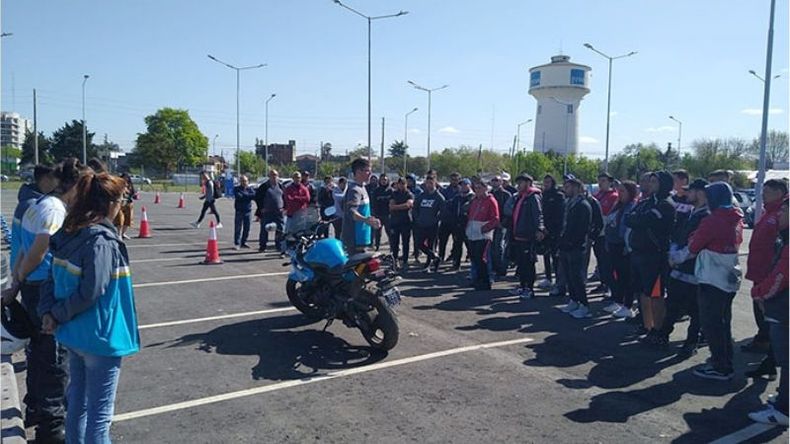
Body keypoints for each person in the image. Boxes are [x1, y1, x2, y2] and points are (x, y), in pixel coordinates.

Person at [38, 171, 140, 443]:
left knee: (79, 407)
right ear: (109, 203)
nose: (123, 204)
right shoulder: (101, 241)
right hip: (99, 336)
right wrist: (55, 314)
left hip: (74, 335)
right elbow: (91, 291)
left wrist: (50, 313)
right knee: (100, 414)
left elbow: (49, 277)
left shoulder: (69, 233)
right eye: (122, 198)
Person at [6, 158, 84, 441]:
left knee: (38, 354)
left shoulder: (37, 205)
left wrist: (17, 280)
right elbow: (38, 250)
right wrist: (23, 276)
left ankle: (37, 408)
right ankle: (51, 429)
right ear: (72, 186)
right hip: (44, 288)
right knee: (53, 359)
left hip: (32, 286)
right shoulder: (53, 210)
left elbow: (23, 250)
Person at [688, 181, 743, 380]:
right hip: (730, 274)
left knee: (712, 323)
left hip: (712, 276)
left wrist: (692, 239)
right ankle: (724, 360)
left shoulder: (713, 220)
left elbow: (694, 245)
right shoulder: (737, 218)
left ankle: (720, 366)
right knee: (723, 321)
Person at [748, 197, 789, 426]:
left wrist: (759, 293)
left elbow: (780, 277)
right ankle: (785, 400)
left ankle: (784, 409)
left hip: (785, 310)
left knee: (788, 361)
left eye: (784, 210)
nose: (780, 214)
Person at [659, 179, 711, 351]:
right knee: (672, 305)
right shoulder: (694, 213)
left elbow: (694, 246)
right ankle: (662, 335)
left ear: (700, 193)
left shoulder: (706, 216)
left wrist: (676, 257)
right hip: (680, 269)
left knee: (695, 311)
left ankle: (690, 343)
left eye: (691, 191)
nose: (687, 194)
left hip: (694, 271)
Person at [625, 171, 675, 340]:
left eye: (655, 181)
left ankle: (659, 332)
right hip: (639, 253)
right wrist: (638, 219)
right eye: (650, 181)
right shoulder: (647, 202)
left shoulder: (665, 204)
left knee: (656, 295)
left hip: (655, 256)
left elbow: (643, 221)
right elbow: (629, 218)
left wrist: (638, 219)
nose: (651, 184)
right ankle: (647, 327)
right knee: (643, 293)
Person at [743, 179, 788, 355]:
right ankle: (764, 339)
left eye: (767, 191)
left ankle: (767, 343)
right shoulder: (768, 212)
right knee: (759, 307)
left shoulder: (781, 213)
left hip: (769, 270)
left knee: (766, 308)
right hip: (758, 268)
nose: (763, 194)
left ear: (779, 193)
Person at [603, 180, 639, 319]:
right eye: (620, 190)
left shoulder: (632, 206)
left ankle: (627, 305)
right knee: (613, 273)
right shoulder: (618, 205)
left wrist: (626, 245)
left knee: (626, 277)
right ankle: (617, 300)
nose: (620, 193)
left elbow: (628, 229)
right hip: (612, 244)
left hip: (623, 246)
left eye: (623, 191)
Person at [558, 177, 592, 319]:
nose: (566, 189)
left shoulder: (583, 205)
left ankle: (584, 305)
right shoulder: (569, 203)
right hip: (565, 245)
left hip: (576, 247)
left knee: (576, 277)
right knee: (569, 276)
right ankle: (574, 300)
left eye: (569, 186)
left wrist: (572, 242)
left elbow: (582, 228)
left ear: (577, 188)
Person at [509, 174, 544, 299]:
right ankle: (523, 286)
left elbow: (538, 214)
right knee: (521, 264)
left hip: (528, 237)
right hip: (518, 236)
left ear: (528, 183)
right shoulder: (521, 197)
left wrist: (540, 229)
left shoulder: (533, 197)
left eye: (521, 183)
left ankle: (529, 288)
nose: (518, 185)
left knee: (528, 264)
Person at [466, 179, 499, 290]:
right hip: (472, 233)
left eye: (480, 188)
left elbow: (495, 219)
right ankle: (478, 279)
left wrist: (485, 229)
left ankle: (485, 281)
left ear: (485, 188)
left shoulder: (491, 200)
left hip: (483, 234)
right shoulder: (474, 200)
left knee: (482, 258)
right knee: (474, 257)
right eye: (476, 188)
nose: (477, 190)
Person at [342, 158, 381, 254]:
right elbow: (351, 212)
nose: (370, 174)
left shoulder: (362, 188)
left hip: (363, 238)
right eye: (368, 171)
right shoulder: (354, 190)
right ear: (358, 172)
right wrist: (366, 220)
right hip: (355, 239)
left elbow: (363, 210)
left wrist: (372, 219)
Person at [590, 173, 618, 290]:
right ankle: (603, 282)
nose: (601, 183)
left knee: (607, 261)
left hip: (606, 232)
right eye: (599, 180)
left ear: (610, 182)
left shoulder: (614, 196)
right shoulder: (597, 195)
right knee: (600, 259)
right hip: (598, 232)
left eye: (604, 181)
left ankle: (609, 284)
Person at [412, 176, 445, 273]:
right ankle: (435, 257)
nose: (429, 185)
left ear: (435, 183)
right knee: (419, 244)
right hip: (421, 224)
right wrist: (417, 218)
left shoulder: (439, 197)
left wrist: (436, 220)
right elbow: (415, 208)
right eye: (427, 183)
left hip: (432, 226)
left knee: (431, 245)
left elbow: (443, 211)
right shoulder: (422, 195)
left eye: (431, 183)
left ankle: (429, 265)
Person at [538, 174, 565, 291]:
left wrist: (552, 229)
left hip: (555, 231)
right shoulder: (543, 195)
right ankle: (548, 278)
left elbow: (560, 216)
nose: (546, 184)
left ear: (553, 183)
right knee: (545, 255)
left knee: (556, 257)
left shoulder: (559, 195)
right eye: (545, 182)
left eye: (548, 182)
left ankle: (558, 281)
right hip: (545, 230)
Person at [445, 178, 474, 271]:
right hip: (458, 225)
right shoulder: (457, 197)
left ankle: (473, 265)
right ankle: (456, 264)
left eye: (465, 185)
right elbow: (451, 208)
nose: (463, 187)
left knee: (470, 246)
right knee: (457, 245)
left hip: (469, 225)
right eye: (461, 185)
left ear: (469, 185)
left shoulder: (473, 197)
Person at [255, 169, 285, 253]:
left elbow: (285, 198)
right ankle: (262, 246)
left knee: (280, 230)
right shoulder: (264, 186)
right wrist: (261, 208)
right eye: (272, 175)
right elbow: (257, 198)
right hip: (267, 212)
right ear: (269, 176)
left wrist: (284, 208)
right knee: (264, 230)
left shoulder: (281, 186)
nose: (274, 177)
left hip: (279, 212)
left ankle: (279, 246)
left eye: (275, 175)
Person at [388, 177, 414, 269]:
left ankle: (405, 260)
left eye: (403, 183)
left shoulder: (409, 194)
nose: (402, 185)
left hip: (406, 221)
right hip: (395, 222)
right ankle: (395, 260)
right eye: (400, 183)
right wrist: (401, 206)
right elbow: (391, 206)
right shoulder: (394, 194)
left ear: (406, 184)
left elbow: (408, 205)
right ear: (397, 184)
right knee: (394, 243)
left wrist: (396, 207)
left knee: (405, 242)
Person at [489, 175, 512, 277]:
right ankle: (493, 267)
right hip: (490, 224)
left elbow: (509, 211)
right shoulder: (489, 194)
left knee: (499, 246)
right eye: (493, 180)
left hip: (502, 224)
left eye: (497, 180)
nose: (495, 182)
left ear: (501, 182)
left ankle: (502, 269)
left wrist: (503, 223)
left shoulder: (506, 194)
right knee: (491, 247)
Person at [437, 172, 461, 262]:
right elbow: (442, 203)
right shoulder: (445, 190)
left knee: (457, 242)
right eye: (452, 179)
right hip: (445, 220)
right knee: (442, 241)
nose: (454, 181)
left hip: (456, 221)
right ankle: (440, 258)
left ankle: (454, 257)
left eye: (456, 179)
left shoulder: (461, 191)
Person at [284, 172, 311, 236]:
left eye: (298, 177)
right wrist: (301, 199)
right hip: (291, 215)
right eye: (295, 177)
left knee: (301, 233)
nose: (297, 179)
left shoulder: (304, 188)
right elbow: (288, 199)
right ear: (293, 178)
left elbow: (307, 199)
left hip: (301, 215)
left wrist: (295, 197)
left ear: (301, 178)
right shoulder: (288, 188)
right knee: (288, 233)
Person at [233, 175, 255, 250]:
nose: (244, 182)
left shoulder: (250, 189)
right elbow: (239, 197)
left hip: (248, 211)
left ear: (248, 181)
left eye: (245, 181)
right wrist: (248, 196)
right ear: (240, 182)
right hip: (239, 211)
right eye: (242, 181)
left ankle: (243, 242)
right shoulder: (236, 189)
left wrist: (245, 195)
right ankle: (237, 243)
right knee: (238, 228)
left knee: (247, 228)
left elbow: (253, 196)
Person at [371, 175, 392, 251]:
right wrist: (375, 214)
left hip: (388, 215)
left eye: (385, 180)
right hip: (378, 215)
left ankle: (392, 247)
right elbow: (373, 203)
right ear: (379, 180)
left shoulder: (391, 191)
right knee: (377, 233)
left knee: (390, 232)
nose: (384, 181)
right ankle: (377, 247)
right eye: (382, 179)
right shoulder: (376, 191)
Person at [114, 173, 136, 240]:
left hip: (128, 203)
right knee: (120, 220)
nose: (125, 180)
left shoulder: (130, 186)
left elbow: (133, 193)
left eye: (127, 178)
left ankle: (123, 233)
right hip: (120, 204)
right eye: (124, 178)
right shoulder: (118, 185)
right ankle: (119, 234)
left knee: (128, 220)